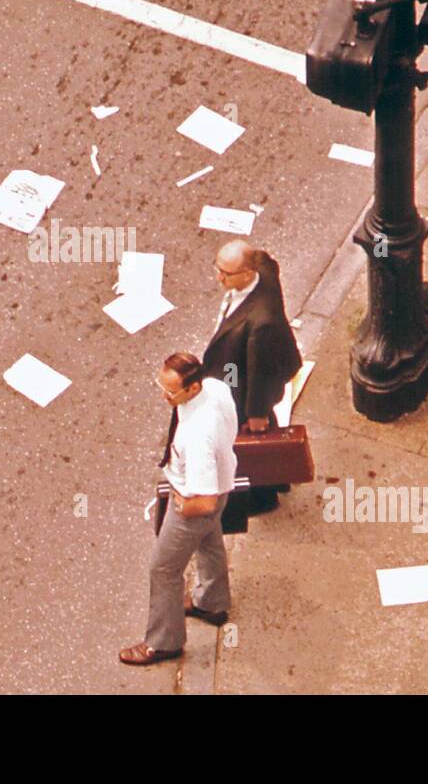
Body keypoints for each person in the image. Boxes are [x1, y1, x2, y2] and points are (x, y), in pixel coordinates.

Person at [119, 352, 237, 666]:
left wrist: (185, 505)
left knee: (163, 568)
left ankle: (163, 641)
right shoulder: (216, 389)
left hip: (193, 501)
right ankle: (211, 601)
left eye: (171, 391)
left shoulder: (197, 435)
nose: (164, 394)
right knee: (210, 543)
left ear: (192, 388)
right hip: (223, 482)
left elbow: (205, 501)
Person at [201, 240, 301, 510]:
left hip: (242, 385)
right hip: (237, 368)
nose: (219, 277)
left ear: (247, 274)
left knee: (252, 443)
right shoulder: (264, 270)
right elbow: (269, 260)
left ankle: (263, 496)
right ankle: (278, 480)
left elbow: (261, 373)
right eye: (218, 268)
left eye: (226, 273)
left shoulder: (261, 324)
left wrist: (255, 414)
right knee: (263, 434)